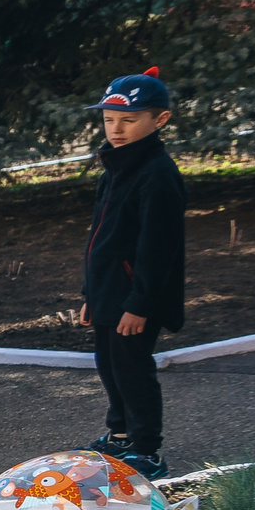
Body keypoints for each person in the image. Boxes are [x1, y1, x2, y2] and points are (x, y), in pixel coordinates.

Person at [79, 70, 186, 475]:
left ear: (160, 120)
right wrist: (90, 294)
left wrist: (140, 303)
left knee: (133, 370)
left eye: (129, 120)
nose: (116, 129)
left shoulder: (157, 173)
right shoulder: (116, 167)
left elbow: (158, 248)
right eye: (109, 120)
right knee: (109, 365)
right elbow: (99, 237)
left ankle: (146, 449)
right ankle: (121, 434)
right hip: (108, 292)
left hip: (136, 298)